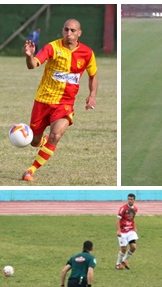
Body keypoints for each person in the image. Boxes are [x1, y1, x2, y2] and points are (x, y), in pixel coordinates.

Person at [21, 19, 97, 182]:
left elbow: (93, 75)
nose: (69, 34)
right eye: (66, 30)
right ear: (62, 31)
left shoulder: (87, 53)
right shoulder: (52, 47)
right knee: (34, 142)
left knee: (56, 135)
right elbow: (33, 64)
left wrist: (92, 95)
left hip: (65, 104)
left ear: (79, 33)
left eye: (72, 31)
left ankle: (30, 171)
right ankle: (43, 141)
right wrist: (29, 56)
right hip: (43, 101)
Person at [116, 193, 138, 270]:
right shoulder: (123, 208)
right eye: (129, 199)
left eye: (131, 199)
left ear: (134, 200)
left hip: (130, 230)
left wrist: (134, 227)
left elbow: (133, 218)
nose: (130, 201)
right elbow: (118, 220)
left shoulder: (135, 209)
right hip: (122, 231)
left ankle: (124, 260)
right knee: (124, 249)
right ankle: (118, 264)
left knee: (133, 247)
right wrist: (118, 231)